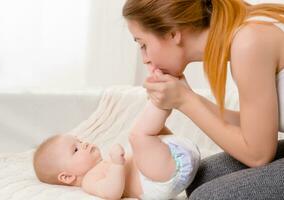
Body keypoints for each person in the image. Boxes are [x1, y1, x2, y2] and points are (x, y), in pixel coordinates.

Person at [122, 0, 284, 199]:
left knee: (207, 196)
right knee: (201, 176)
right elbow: (259, 127)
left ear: (173, 33)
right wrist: (186, 96)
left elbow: (259, 155)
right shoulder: (244, 36)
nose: (145, 58)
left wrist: (185, 100)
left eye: (143, 44)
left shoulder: (249, 42)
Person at [33, 70, 200, 200]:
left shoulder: (101, 165)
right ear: (67, 177)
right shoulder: (89, 180)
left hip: (171, 158)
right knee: (139, 135)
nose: (83, 144)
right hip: (157, 179)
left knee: (149, 135)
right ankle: (163, 98)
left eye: (80, 141)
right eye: (75, 150)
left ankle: (166, 96)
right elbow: (111, 193)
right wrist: (117, 165)